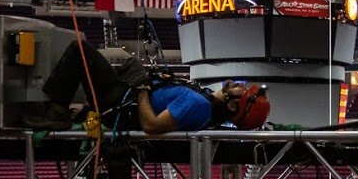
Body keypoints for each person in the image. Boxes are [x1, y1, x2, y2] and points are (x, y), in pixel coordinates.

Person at [39, 39, 270, 135]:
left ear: (232, 105)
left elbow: (150, 125)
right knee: (127, 65)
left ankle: (57, 111)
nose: (241, 85)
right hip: (124, 97)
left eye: (243, 90)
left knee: (80, 49)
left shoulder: (198, 105)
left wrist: (141, 88)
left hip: (120, 104)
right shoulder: (205, 101)